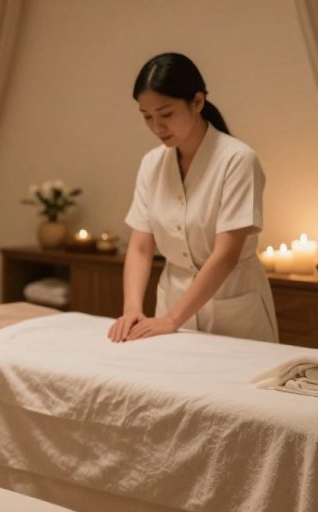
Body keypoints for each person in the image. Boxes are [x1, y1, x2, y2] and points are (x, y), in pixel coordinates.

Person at [108, 53, 277, 343]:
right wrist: (132, 310)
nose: (157, 127)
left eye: (166, 114)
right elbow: (139, 246)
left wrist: (174, 319)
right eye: (147, 117)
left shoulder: (237, 160)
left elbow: (226, 254)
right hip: (169, 306)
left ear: (197, 102)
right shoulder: (152, 163)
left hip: (231, 309)